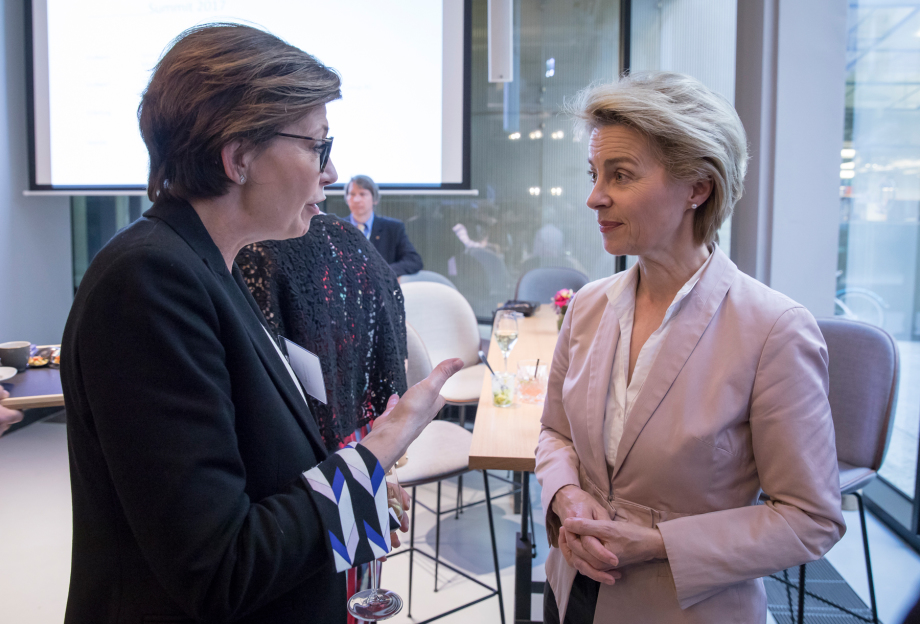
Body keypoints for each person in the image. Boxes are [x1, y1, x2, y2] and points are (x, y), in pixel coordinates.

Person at [61, 24, 461, 624]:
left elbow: (260, 473)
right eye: (317, 147)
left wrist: (355, 490)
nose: (329, 174)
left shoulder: (211, 267)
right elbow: (221, 567)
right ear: (239, 156)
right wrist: (380, 447)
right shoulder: (149, 283)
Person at [534, 71, 845, 623]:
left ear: (698, 188)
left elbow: (809, 518)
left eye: (620, 175)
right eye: (594, 173)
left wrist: (658, 544)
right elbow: (555, 431)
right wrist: (563, 496)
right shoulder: (587, 306)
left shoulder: (773, 330)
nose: (594, 196)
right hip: (572, 590)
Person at [236, 213, 408, 453]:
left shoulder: (250, 251)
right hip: (361, 426)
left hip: (303, 439)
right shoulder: (343, 232)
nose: (331, 176)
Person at [344, 175, 423, 277]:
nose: (356, 199)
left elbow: (414, 261)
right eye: (352, 194)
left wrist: (382, 272)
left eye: (362, 194)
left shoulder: (393, 228)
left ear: (375, 199)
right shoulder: (335, 228)